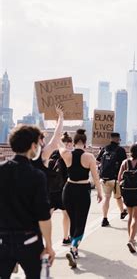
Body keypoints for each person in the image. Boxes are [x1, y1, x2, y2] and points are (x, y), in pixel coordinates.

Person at [0, 125, 55, 278]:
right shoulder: (36, 176)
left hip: (2, 240)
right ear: (32, 146)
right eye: (38, 144)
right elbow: (44, 216)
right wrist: (49, 246)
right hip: (29, 241)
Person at [61, 129, 102, 268]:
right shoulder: (89, 157)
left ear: (74, 142)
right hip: (83, 190)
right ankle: (73, 248)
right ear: (85, 143)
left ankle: (75, 248)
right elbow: (96, 177)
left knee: (73, 220)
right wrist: (100, 192)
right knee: (81, 222)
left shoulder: (66, 154)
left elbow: (58, 144)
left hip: (68, 189)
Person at [30, 105, 71, 245]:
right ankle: (47, 245)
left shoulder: (20, 156)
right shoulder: (42, 155)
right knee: (44, 220)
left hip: (25, 197)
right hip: (42, 194)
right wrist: (61, 117)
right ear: (40, 141)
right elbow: (57, 137)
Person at [118, 143, 137, 253]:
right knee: (136, 218)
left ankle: (131, 238)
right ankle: (131, 239)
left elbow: (119, 178)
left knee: (130, 217)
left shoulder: (125, 162)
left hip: (127, 192)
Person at [97, 132, 128, 226]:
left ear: (110, 139)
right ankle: (122, 211)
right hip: (115, 178)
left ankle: (104, 218)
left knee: (106, 198)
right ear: (118, 139)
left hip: (104, 178)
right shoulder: (120, 150)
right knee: (118, 197)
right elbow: (125, 164)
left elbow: (98, 160)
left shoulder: (104, 148)